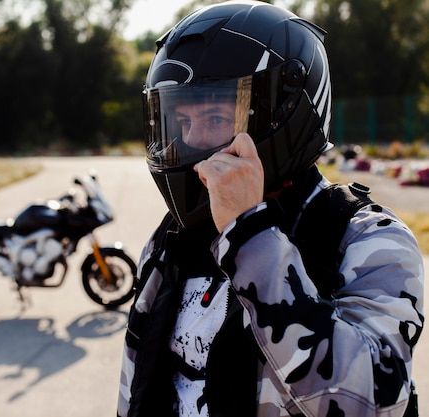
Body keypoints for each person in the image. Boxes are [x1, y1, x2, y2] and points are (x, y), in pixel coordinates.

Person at [117, 1, 424, 416]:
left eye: (215, 118)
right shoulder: (172, 239)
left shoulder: (369, 239)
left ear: (285, 113)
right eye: (181, 123)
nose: (191, 143)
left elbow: (368, 402)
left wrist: (250, 237)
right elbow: (138, 384)